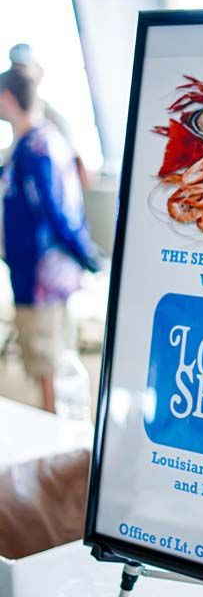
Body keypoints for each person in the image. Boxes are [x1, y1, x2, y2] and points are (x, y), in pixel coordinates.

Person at [0, 67, 101, 413]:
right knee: (56, 360)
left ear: (8, 98)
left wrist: (87, 255)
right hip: (50, 273)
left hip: (39, 277)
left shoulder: (34, 149)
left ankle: (57, 435)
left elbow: (53, 211)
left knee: (48, 366)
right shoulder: (44, 140)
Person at [7, 43, 90, 188]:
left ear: (38, 73)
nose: (19, 78)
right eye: (16, 70)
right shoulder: (10, 111)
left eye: (23, 70)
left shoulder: (53, 121)